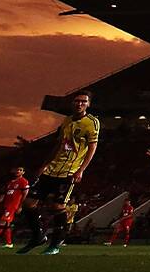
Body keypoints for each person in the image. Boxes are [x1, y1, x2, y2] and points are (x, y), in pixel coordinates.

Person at [18, 91, 99, 255]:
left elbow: (92, 148)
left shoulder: (92, 122)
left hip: (69, 171)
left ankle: (55, 244)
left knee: (57, 206)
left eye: (84, 101)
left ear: (88, 104)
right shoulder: (67, 120)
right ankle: (38, 236)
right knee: (28, 203)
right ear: (72, 103)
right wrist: (44, 165)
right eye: (77, 101)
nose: (79, 104)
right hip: (53, 169)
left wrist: (81, 170)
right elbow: (59, 145)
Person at [0, 167, 31, 248]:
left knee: (2, 222)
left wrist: (20, 206)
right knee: (6, 225)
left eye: (20, 170)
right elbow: (3, 195)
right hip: (6, 205)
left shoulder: (23, 181)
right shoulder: (10, 182)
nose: (18, 171)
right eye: (17, 170)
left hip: (12, 206)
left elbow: (25, 194)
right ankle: (9, 243)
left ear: (23, 172)